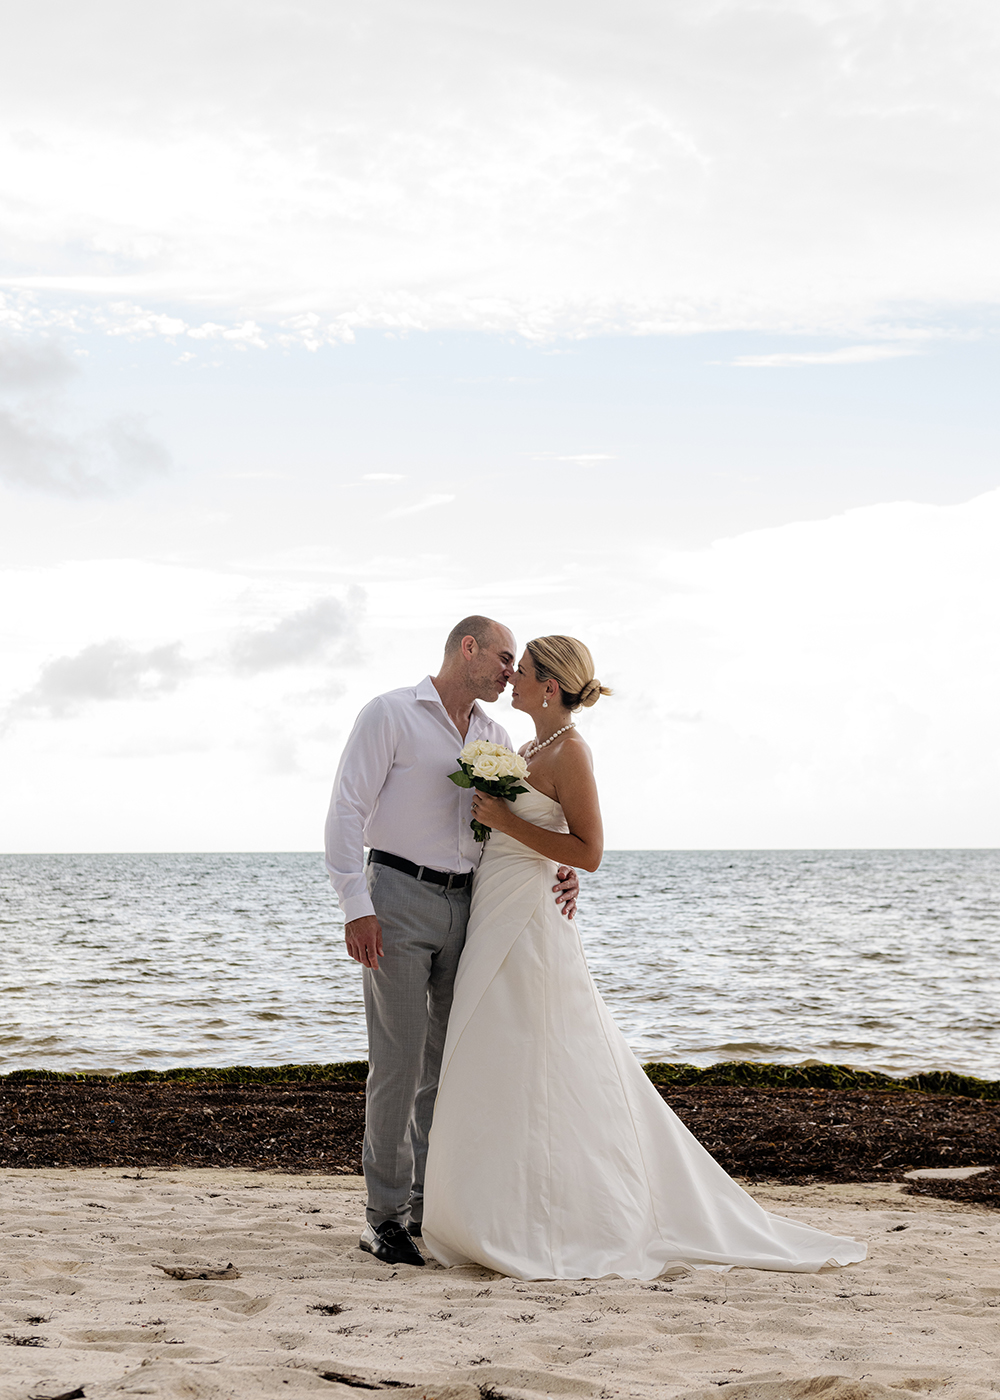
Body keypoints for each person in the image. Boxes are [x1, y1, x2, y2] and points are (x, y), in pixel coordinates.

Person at [422, 635, 867, 1280]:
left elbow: (590, 850)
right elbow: (550, 844)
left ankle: (554, 1218)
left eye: (525, 671)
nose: (513, 676)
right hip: (499, 905)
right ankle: (491, 1207)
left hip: (530, 923)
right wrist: (518, 838)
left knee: (541, 1055)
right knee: (496, 1052)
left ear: (551, 687)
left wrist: (510, 825)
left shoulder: (571, 749)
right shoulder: (527, 749)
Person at [324, 616, 580, 1268]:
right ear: (468, 648)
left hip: (469, 904)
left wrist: (560, 868)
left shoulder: (497, 737)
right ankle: (381, 1220)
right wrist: (357, 906)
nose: (508, 671)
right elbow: (346, 811)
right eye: (502, 658)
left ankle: (424, 1209)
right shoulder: (389, 714)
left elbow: (516, 824)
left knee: (446, 1067)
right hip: (397, 899)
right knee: (398, 1065)